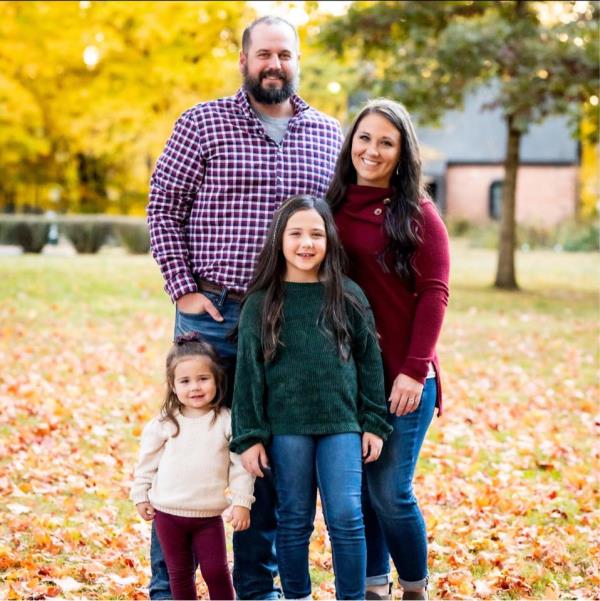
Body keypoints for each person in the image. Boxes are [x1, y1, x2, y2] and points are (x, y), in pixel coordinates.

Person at [146, 14, 343, 600]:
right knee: (191, 452)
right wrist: (183, 287)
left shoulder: (328, 134)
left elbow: (335, 231)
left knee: (268, 460)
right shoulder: (202, 124)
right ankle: (169, 586)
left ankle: (257, 588)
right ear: (243, 60)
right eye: (263, 55)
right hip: (214, 316)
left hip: (289, 323)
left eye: (284, 54)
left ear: (297, 61)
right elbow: (163, 206)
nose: (274, 64)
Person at [230, 195, 392, 600]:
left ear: (329, 241)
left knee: (346, 517)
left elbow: (370, 363)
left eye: (316, 234)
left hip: (341, 425)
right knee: (294, 519)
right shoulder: (261, 303)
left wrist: (374, 422)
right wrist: (248, 435)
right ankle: (297, 595)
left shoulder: (348, 295)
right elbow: (248, 374)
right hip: (287, 428)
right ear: (279, 240)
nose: (307, 243)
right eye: (296, 233)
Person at [327, 99, 450, 601]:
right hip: (351, 377)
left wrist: (414, 372)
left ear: (402, 154)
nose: (371, 150)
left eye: (385, 142)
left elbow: (435, 293)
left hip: (405, 376)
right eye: (364, 137)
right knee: (358, 494)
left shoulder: (417, 213)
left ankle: (415, 588)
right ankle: (374, 587)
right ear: (350, 142)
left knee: (390, 492)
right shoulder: (331, 207)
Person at [130, 333, 255, 601]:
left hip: (208, 518)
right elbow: (146, 461)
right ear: (173, 386)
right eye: (185, 381)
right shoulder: (166, 422)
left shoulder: (225, 420)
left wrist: (242, 501)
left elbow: (240, 466)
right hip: (168, 514)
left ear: (217, 379)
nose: (195, 387)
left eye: (203, 379)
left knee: (216, 571)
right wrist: (140, 494)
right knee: (179, 573)